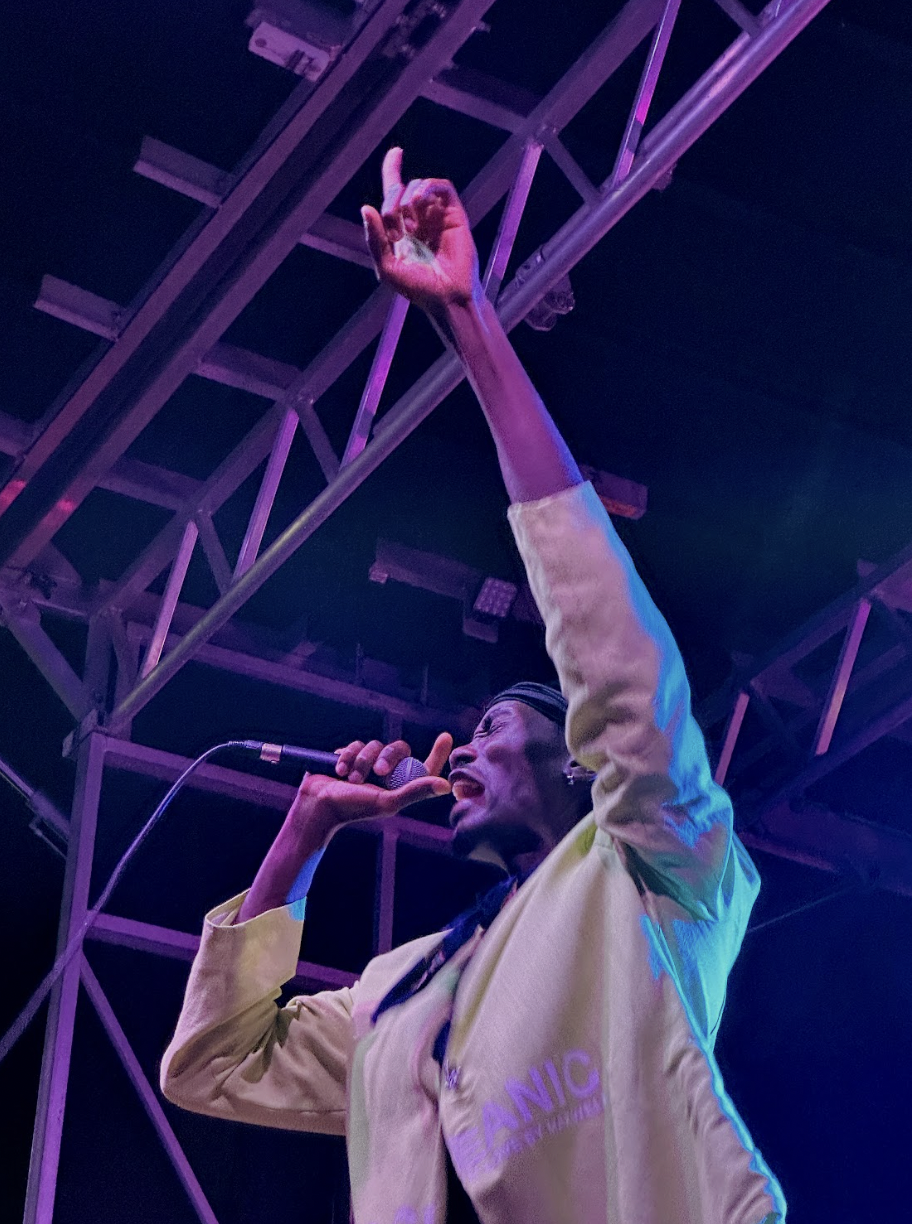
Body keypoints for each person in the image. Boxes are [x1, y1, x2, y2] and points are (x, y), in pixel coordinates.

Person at [161, 149, 785, 1224]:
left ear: (581, 761)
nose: (467, 752)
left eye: (497, 726)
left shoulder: (655, 865)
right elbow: (214, 1061)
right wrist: (303, 834)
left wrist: (469, 323)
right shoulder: (408, 993)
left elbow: (609, 644)